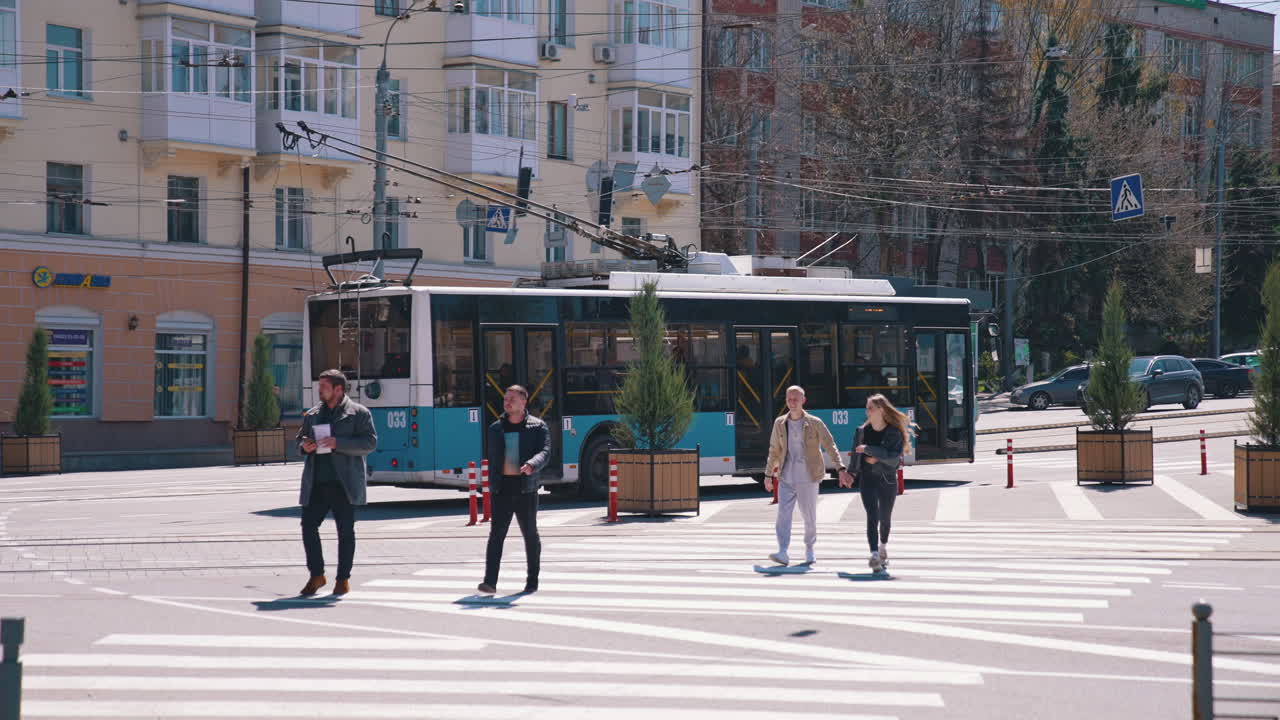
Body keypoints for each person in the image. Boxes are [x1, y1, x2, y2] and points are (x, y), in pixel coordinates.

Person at [296, 369, 377, 596]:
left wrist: (337, 443)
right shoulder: (313, 414)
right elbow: (299, 440)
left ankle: (343, 578)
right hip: (317, 482)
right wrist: (304, 446)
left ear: (338, 389)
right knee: (308, 527)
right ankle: (317, 574)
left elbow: (370, 443)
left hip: (344, 483)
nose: (319, 390)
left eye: (324, 387)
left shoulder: (359, 413)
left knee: (345, 531)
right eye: (320, 386)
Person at [764, 386, 851, 566]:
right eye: (789, 399)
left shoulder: (815, 422)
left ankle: (809, 549)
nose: (792, 402)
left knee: (809, 516)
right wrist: (767, 474)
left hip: (808, 477)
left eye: (796, 399)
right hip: (786, 476)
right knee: (783, 515)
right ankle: (782, 551)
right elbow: (773, 449)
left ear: (804, 400)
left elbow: (829, 444)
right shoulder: (780, 423)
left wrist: (840, 468)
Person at [478, 384, 551, 595]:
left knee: (530, 534)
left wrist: (531, 465)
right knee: (496, 535)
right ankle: (489, 582)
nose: (507, 402)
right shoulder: (495, 428)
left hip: (526, 488)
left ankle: (532, 581)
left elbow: (545, 451)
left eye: (512, 398)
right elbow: (492, 459)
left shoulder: (538, 427)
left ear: (523, 401)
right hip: (502, 488)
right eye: (505, 399)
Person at [840, 393, 910, 573]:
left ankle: (883, 546)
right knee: (872, 517)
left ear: (881, 410)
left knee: (885, 518)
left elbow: (893, 459)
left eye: (870, 408)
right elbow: (856, 455)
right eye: (867, 408)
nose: (867, 411)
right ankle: (874, 554)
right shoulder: (862, 431)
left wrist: (871, 451)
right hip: (868, 479)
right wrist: (850, 474)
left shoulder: (893, 432)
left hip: (887, 480)